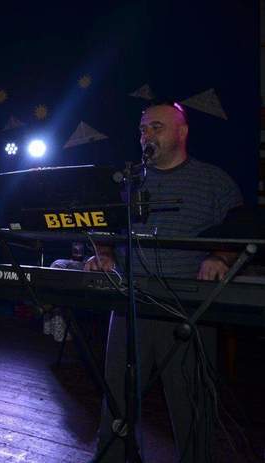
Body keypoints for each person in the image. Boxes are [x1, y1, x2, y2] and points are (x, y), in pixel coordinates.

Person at [86, 102, 243, 462]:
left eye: (156, 127)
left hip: (187, 305)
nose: (147, 135)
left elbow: (239, 230)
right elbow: (104, 225)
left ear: (181, 132)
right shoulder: (126, 182)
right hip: (130, 301)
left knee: (190, 401)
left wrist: (219, 258)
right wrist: (105, 252)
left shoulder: (214, 180)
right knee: (118, 395)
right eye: (143, 129)